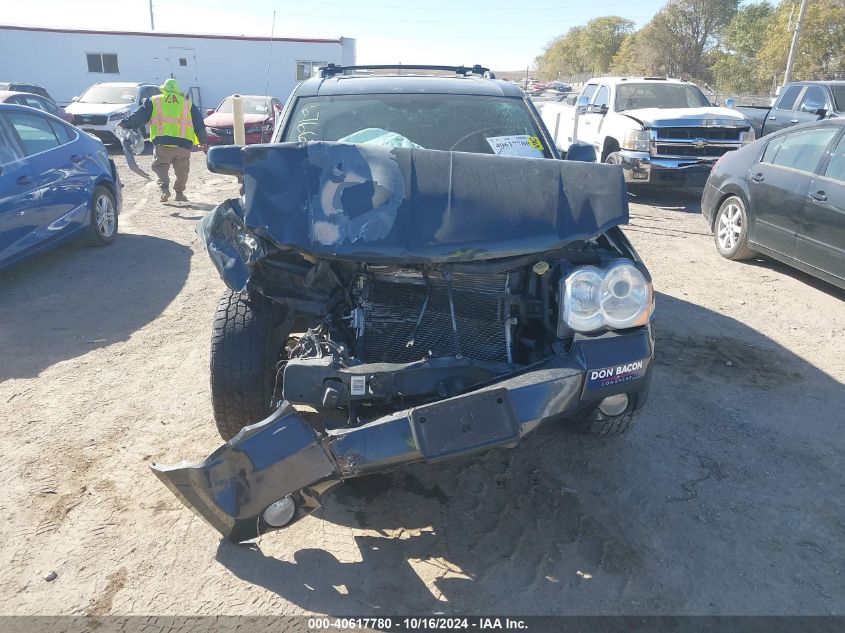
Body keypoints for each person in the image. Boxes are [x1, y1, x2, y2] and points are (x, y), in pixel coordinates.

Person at [120, 78, 208, 202]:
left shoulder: (155, 101)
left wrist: (125, 124)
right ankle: (180, 193)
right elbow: (199, 124)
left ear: (163, 89)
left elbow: (139, 116)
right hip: (183, 144)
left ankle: (165, 190)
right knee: (182, 170)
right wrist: (203, 141)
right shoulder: (187, 103)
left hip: (162, 143)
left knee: (160, 166)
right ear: (178, 90)